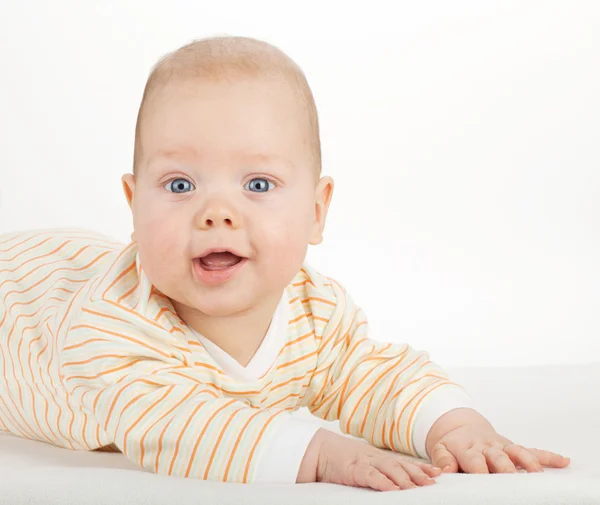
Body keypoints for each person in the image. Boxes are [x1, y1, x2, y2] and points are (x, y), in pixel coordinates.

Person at [0, 36, 570, 492]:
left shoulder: (314, 311)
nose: (216, 213)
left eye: (257, 183)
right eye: (179, 184)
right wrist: (319, 451)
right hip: (21, 298)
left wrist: (458, 426)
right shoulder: (107, 329)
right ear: (133, 204)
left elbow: (371, 374)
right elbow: (179, 428)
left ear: (317, 212)